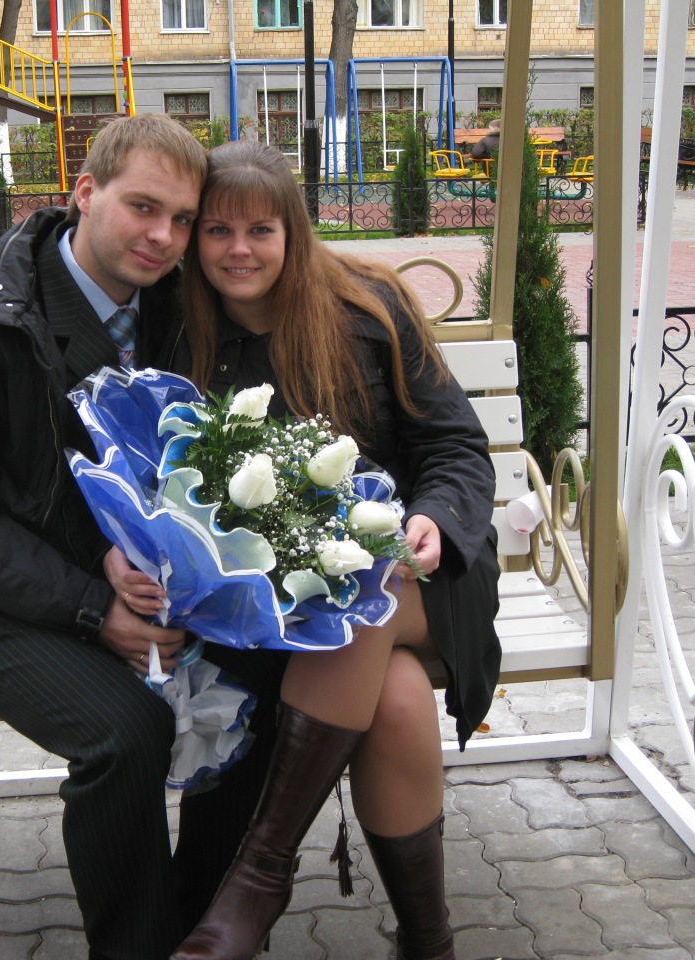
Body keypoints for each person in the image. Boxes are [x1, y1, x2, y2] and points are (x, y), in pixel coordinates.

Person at [0, 113, 283, 960]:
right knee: (126, 733)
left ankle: (199, 931)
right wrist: (94, 606)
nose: (164, 236)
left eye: (182, 219)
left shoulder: (183, 311)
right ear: (84, 194)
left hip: (152, 591)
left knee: (265, 681)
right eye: (143, 207)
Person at [115, 139, 502, 960]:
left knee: (365, 598)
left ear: (293, 231)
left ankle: (262, 872)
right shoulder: (179, 331)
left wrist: (435, 516)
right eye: (217, 231)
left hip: (419, 576)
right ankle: (429, 947)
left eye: (261, 230)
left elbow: (457, 447)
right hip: (284, 606)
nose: (240, 250)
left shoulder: (369, 310)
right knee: (396, 699)